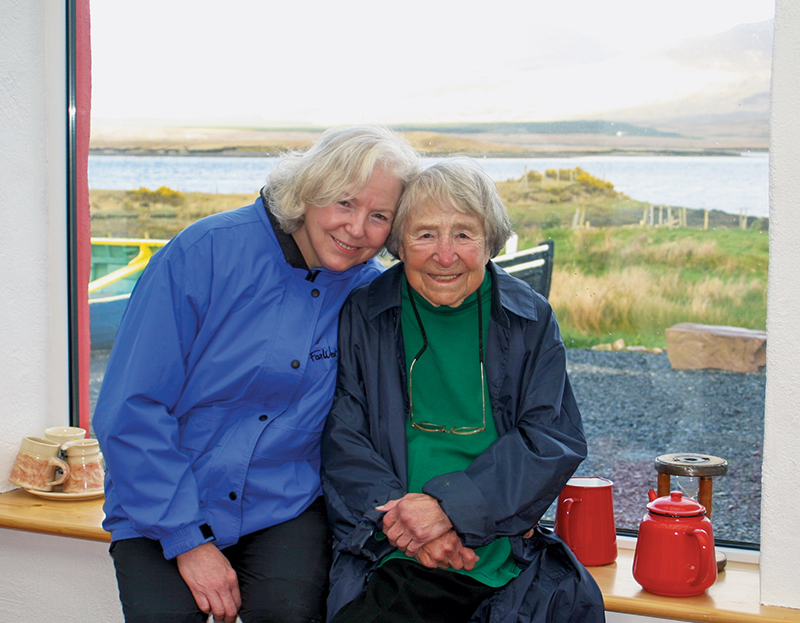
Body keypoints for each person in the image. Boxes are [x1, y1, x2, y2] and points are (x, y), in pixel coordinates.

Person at [93, 125, 419, 623]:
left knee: (292, 614)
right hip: (162, 500)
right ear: (307, 193)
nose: (357, 229)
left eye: (379, 216)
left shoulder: (368, 294)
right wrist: (187, 539)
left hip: (283, 505)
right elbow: (130, 410)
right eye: (344, 204)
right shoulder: (202, 253)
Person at [320, 160, 605, 623]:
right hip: (391, 540)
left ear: (490, 242)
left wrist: (450, 510)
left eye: (464, 234)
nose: (445, 255)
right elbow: (342, 437)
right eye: (425, 234)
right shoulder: (365, 313)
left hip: (496, 539)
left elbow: (550, 439)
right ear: (398, 243)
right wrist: (412, 526)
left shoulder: (529, 317)